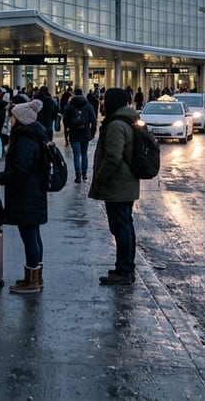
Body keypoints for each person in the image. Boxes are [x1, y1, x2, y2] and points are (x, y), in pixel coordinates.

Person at [0, 99, 49, 294]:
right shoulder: (35, 136)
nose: (10, 120)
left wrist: (0, 177)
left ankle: (32, 280)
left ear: (21, 119)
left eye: (13, 116)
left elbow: (21, 170)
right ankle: (35, 276)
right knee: (34, 235)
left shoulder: (25, 140)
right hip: (33, 193)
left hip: (26, 194)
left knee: (29, 236)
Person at [90, 88, 141, 285]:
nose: (102, 103)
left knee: (121, 228)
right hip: (126, 184)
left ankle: (124, 270)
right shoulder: (128, 121)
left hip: (118, 185)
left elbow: (113, 156)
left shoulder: (116, 125)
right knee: (125, 226)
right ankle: (126, 267)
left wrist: (100, 178)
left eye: (105, 100)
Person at [63, 90, 95, 183]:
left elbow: (65, 121)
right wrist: (92, 133)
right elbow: (93, 121)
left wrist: (70, 127)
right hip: (85, 132)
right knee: (84, 154)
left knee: (76, 155)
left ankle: (78, 175)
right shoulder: (88, 106)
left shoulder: (69, 107)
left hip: (74, 133)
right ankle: (85, 174)